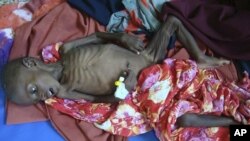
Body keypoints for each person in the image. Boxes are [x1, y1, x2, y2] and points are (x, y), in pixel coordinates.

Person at [2, 15, 235, 127]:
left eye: (33, 89)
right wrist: (123, 89)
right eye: (34, 99)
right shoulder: (64, 91)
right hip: (146, 85)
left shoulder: (68, 49)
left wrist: (120, 37)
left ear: (31, 64)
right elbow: (102, 99)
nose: (40, 97)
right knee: (183, 120)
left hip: (146, 57)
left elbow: (96, 37)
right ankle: (237, 129)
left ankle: (200, 58)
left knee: (172, 21)